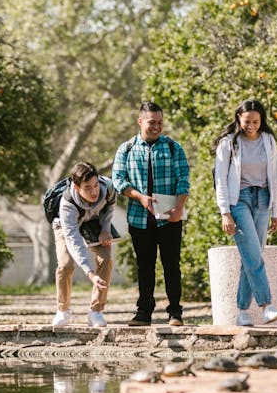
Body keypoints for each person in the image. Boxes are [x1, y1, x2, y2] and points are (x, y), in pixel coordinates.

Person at [112, 101, 190, 326]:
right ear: (140, 122)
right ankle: (144, 312)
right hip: (139, 219)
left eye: (160, 123)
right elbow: (118, 181)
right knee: (145, 267)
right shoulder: (126, 149)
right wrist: (140, 197)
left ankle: (175, 312)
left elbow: (183, 180)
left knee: (171, 265)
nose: (156, 127)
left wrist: (179, 209)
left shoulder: (174, 147)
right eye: (151, 122)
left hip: (169, 218)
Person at [213, 99, 277, 327]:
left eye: (256, 121)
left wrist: (276, 211)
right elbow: (220, 180)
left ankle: (242, 311)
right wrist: (225, 212)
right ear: (238, 120)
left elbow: (275, 177)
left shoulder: (268, 141)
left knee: (250, 255)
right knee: (253, 254)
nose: (251, 125)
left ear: (262, 121)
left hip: (263, 199)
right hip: (239, 200)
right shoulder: (228, 143)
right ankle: (267, 306)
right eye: (247, 121)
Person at [51, 161, 117, 327]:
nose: (94, 191)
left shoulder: (108, 187)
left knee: (106, 259)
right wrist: (89, 273)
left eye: (95, 185)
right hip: (66, 226)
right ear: (77, 186)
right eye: (88, 187)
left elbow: (110, 208)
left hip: (94, 221)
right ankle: (63, 310)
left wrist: (105, 228)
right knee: (65, 264)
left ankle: (96, 312)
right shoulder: (67, 205)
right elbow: (73, 241)